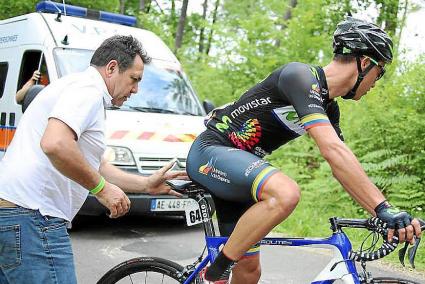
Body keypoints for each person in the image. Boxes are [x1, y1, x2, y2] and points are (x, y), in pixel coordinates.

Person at [186, 17, 422, 284]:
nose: (376, 82)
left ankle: (222, 269)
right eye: (379, 73)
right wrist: (382, 208)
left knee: (250, 271)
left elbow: (340, 163)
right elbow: (331, 149)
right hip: (211, 152)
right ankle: (214, 273)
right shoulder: (300, 77)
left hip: (239, 177)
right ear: (364, 62)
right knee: (285, 193)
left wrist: (382, 211)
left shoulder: (329, 108)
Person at [0, 35, 186, 284]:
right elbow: (55, 143)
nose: (136, 90)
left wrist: (145, 185)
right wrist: (100, 188)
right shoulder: (88, 90)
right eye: (134, 79)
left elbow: (95, 164)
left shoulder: (74, 86)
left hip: (18, 215)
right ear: (111, 68)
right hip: (34, 218)